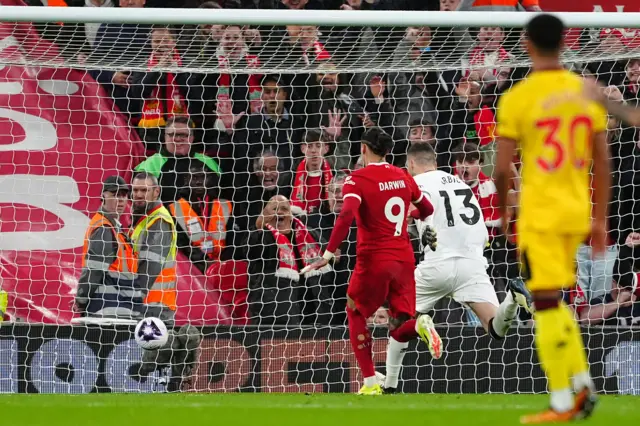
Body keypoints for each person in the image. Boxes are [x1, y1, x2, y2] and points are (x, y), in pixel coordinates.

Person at [494, 14, 610, 423]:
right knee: (555, 301)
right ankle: (583, 385)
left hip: (541, 213)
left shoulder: (519, 97)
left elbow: (503, 167)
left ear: (527, 44)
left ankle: (561, 403)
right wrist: (600, 220)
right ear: (564, 43)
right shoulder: (584, 93)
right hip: (577, 210)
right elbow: (602, 159)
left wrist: (508, 211)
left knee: (543, 302)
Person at [381, 143, 532, 393]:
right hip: (472, 265)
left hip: (436, 264)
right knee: (495, 328)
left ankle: (390, 386)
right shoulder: (461, 185)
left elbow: (411, 211)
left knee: (398, 321)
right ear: (435, 161)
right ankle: (513, 299)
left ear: (410, 165)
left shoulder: (415, 185)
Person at [302, 127, 439, 395]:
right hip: (403, 259)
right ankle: (421, 324)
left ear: (364, 148)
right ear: (387, 151)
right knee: (400, 323)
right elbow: (427, 210)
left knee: (354, 312)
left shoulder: (357, 179)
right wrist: (407, 213)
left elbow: (346, 215)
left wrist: (327, 254)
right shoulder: (403, 175)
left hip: (374, 258)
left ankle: (369, 382)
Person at [76, 176, 142, 319]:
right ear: (103, 196)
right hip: (108, 313)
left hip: (120, 309)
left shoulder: (115, 229)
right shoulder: (104, 228)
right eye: (115, 195)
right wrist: (81, 300)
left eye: (124, 195)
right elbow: (94, 270)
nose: (120, 200)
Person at [169, 163, 245, 274]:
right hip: (192, 270)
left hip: (223, 267)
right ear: (186, 179)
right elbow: (181, 245)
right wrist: (205, 262)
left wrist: (223, 263)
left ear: (209, 178)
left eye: (203, 177)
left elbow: (234, 239)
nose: (199, 182)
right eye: (194, 177)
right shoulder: (175, 209)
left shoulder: (224, 205)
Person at [134, 116, 221, 204]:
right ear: (165, 137)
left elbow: (220, 195)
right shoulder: (150, 165)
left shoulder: (208, 163)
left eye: (184, 135)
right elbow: (140, 201)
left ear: (192, 138)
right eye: (173, 134)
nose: (178, 139)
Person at [129, 172, 178, 322]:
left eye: (144, 190)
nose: (138, 195)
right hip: (149, 304)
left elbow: (150, 267)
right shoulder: (145, 218)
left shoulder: (159, 220)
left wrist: (132, 300)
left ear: (156, 192)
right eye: (135, 190)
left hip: (155, 306)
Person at [290, 130, 334, 216]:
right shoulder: (290, 176)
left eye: (318, 146)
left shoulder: (334, 175)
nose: (314, 151)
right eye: (309, 146)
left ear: (326, 148)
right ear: (302, 149)